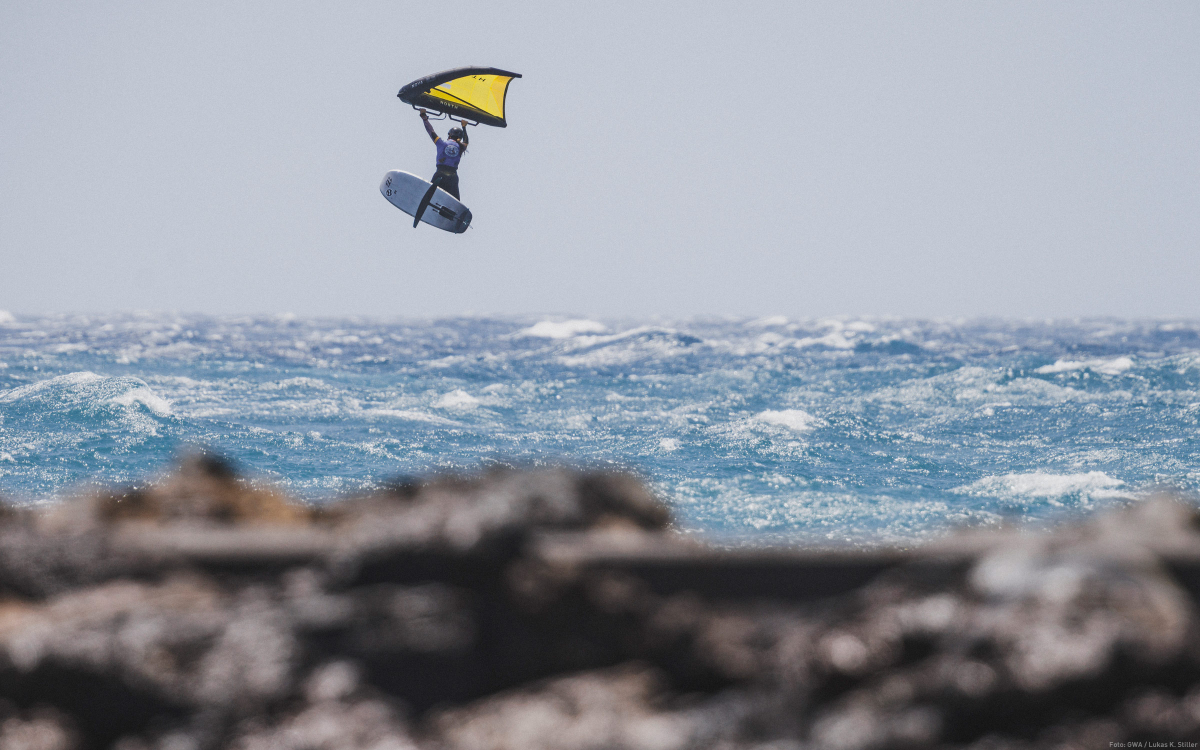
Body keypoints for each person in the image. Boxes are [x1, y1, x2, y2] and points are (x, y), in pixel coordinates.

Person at [419, 109, 469, 200]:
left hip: (440, 175)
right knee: (454, 200)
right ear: (460, 138)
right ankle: (453, 212)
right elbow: (466, 141)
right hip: (452, 178)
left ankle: (428, 201)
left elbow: (430, 131)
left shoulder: (441, 143)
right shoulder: (461, 147)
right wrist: (464, 127)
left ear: (449, 135)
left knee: (430, 196)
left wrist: (424, 117)